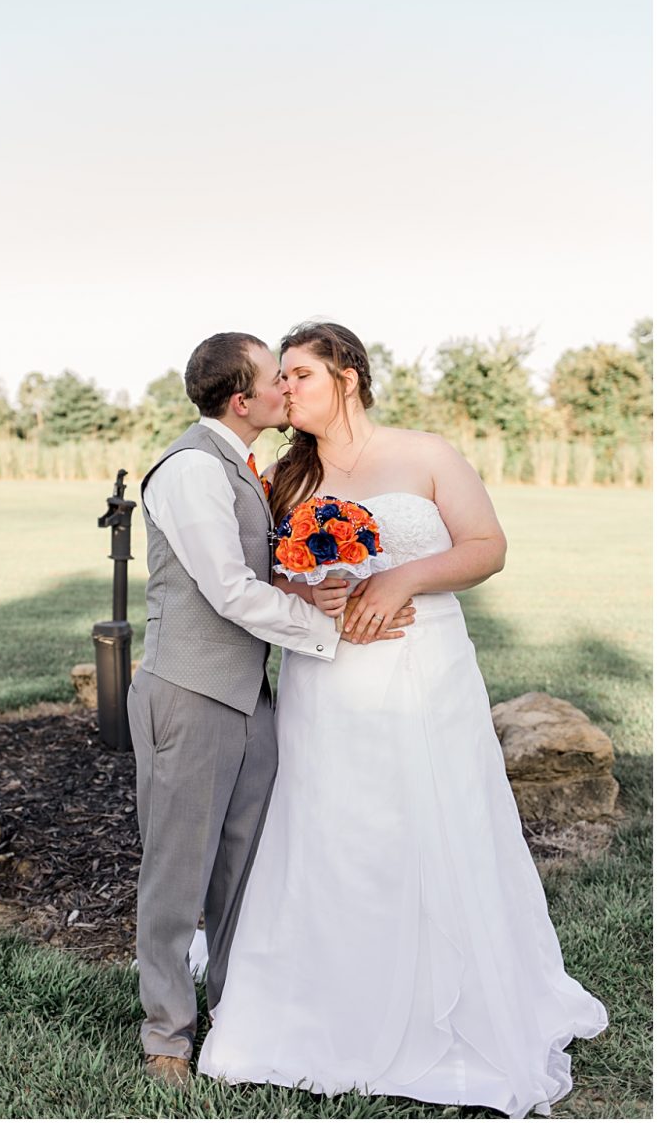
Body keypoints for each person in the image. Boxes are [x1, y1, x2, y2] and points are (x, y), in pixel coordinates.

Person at [197, 318, 607, 1116]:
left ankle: (448, 1002)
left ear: (348, 373)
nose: (286, 390)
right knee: (334, 828)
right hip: (327, 679)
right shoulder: (285, 473)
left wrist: (399, 580)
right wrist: (310, 593)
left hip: (426, 670)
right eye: (280, 377)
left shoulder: (425, 454)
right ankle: (327, 1006)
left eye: (301, 374)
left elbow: (487, 545)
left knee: (431, 820)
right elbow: (267, 579)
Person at [128, 332, 414, 1087]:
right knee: (177, 872)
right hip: (190, 692)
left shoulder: (246, 469)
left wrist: (308, 588)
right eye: (273, 380)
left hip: (249, 696)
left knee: (243, 866)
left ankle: (238, 1007)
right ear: (240, 398)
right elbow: (225, 590)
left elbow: (256, 576)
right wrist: (328, 630)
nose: (286, 391)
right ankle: (166, 1036)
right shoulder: (192, 468)